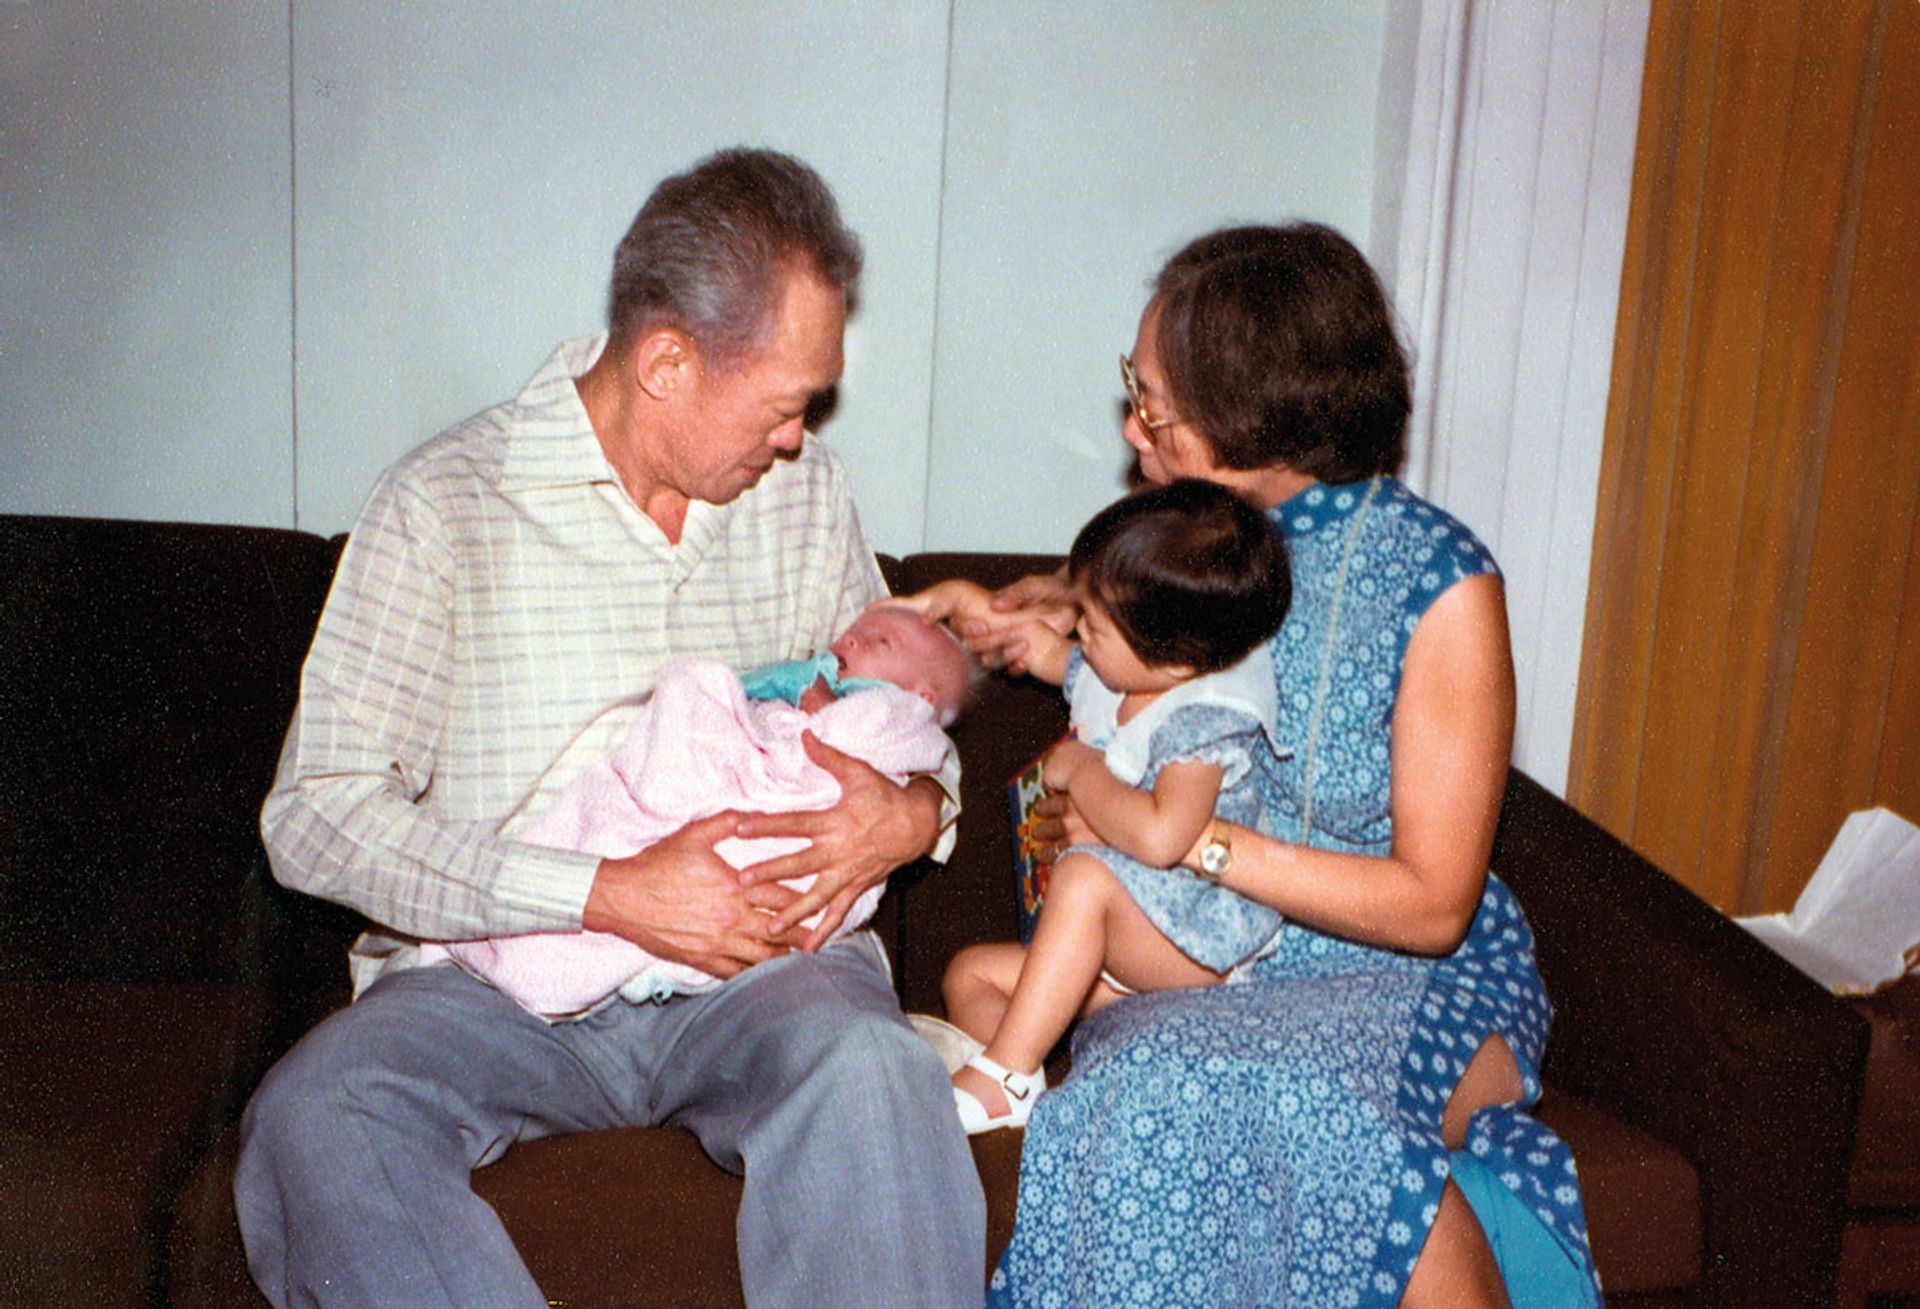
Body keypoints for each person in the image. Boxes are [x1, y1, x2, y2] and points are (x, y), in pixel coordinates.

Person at [237, 147, 985, 1309]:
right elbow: (315, 816)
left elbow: (903, 715)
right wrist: (601, 889)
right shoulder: (444, 505)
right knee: (318, 1113)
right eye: (789, 403)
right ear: (667, 363)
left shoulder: (807, 498)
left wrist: (915, 813)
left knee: (877, 1073)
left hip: (764, 973)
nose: (798, 438)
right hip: (496, 983)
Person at [915, 224, 1601, 1309]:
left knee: (1175, 1081)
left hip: (1412, 977)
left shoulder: (1441, 581)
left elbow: (1431, 908)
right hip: (1234, 961)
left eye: (1156, 409)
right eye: (1131, 397)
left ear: (1259, 419)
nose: (1134, 437)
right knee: (1086, 1035)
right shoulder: (1201, 547)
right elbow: (1090, 627)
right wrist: (973, 616)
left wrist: (1190, 840)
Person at [907, 479, 1291, 1135]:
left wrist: (1085, 772)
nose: (1078, 632)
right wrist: (967, 603)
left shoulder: (1200, 721)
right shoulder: (1120, 672)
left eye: (1095, 624)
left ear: (1176, 661)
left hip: (1193, 947)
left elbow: (1165, 837)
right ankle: (1039, 1116)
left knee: (1086, 871)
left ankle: (1005, 1073)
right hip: (1127, 948)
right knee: (970, 974)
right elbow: (1032, 645)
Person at [435, 604, 979, 1016]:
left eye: (878, 640)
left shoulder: (891, 714)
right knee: (694, 687)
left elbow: (909, 752)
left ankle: (620, 947)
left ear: (922, 695)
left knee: (869, 1058)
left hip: (777, 829)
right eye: (855, 632)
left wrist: (918, 805)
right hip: (634, 853)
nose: (851, 637)